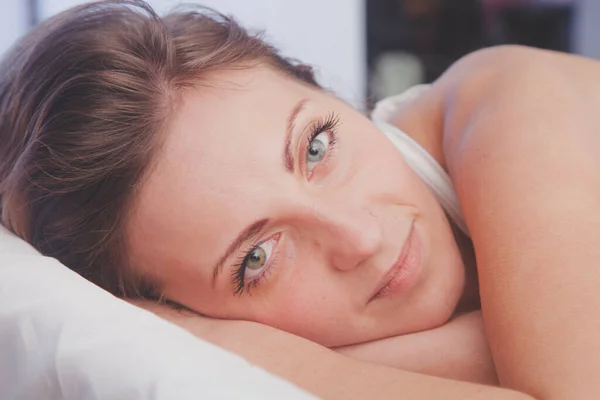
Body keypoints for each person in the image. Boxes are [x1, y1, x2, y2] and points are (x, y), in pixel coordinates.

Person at [1, 1, 600, 398]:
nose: (359, 238)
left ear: (323, 87)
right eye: (256, 258)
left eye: (316, 147)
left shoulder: (512, 103)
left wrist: (238, 349)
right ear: (184, 309)